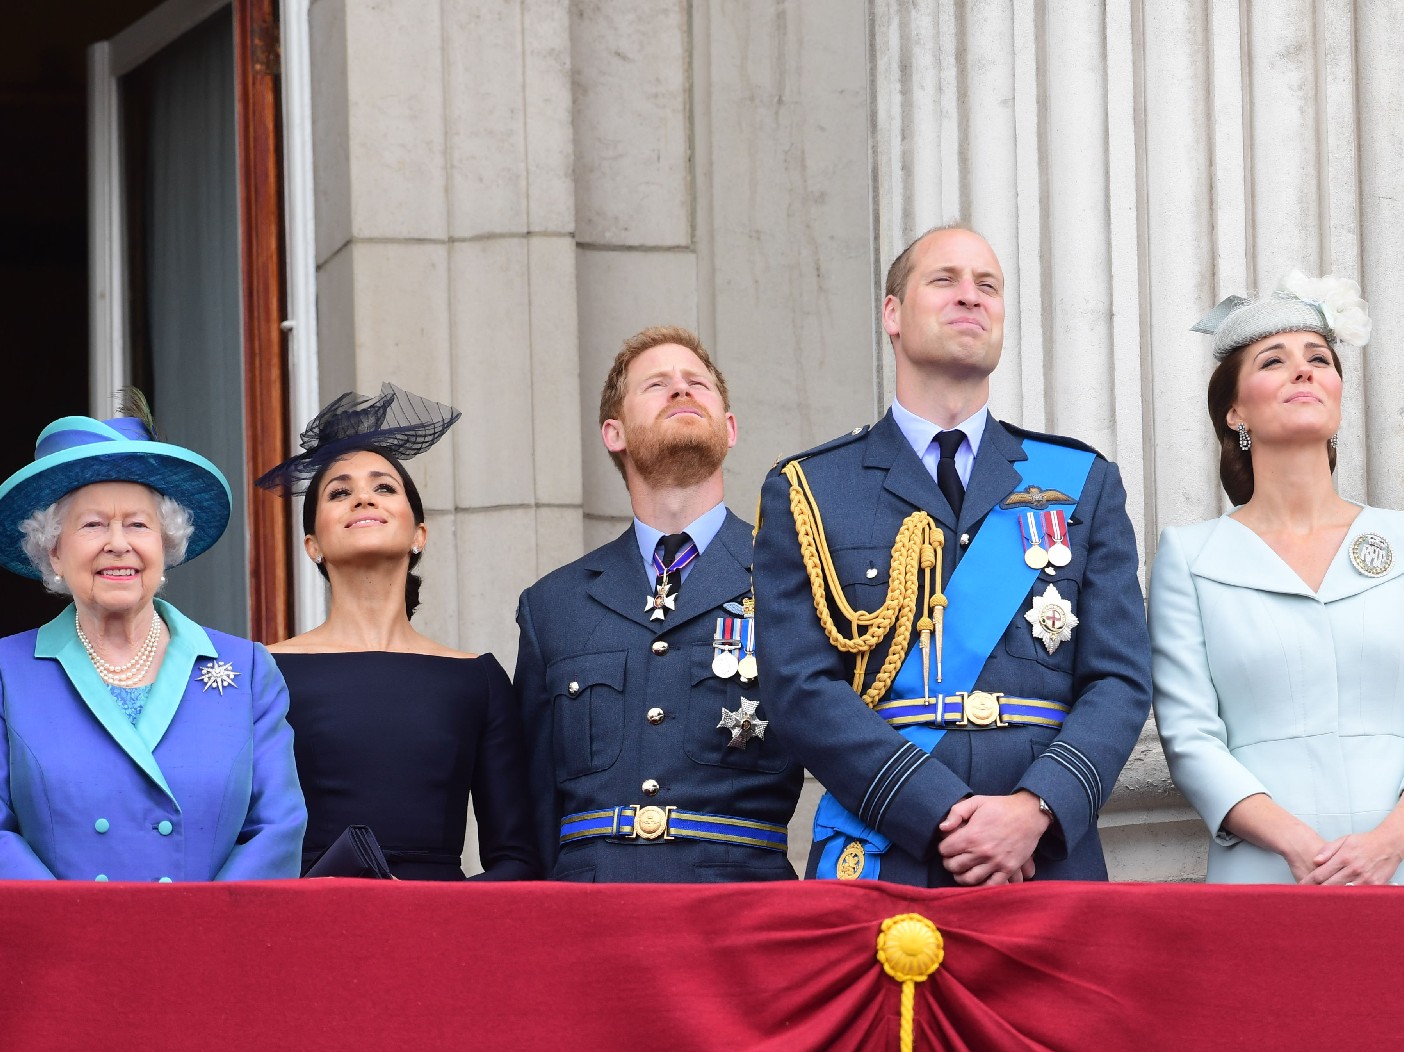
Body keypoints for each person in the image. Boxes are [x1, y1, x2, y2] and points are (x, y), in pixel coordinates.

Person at [754, 226, 1151, 886]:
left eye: (987, 285)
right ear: (892, 314)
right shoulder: (812, 489)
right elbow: (799, 688)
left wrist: (1034, 808)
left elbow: (1119, 679)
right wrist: (943, 810)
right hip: (890, 847)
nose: (971, 297)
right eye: (945, 280)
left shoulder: (1083, 480)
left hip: (1043, 857)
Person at [514, 326, 802, 882]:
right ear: (613, 432)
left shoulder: (792, 579)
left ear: (731, 428)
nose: (681, 390)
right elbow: (531, 808)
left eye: (697, 383)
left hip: (740, 911)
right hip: (591, 918)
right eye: (658, 384)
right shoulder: (554, 605)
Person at [1150, 273, 1403, 885]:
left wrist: (1385, 845)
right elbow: (1189, 736)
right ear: (1235, 410)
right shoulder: (1190, 556)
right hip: (1264, 872)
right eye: (1274, 360)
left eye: (1319, 358)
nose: (1303, 370)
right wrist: (1301, 848)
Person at [0, 397, 305, 881]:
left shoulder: (246, 669)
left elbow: (277, 829)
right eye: (93, 524)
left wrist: (199, 933)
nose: (118, 543)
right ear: (54, 552)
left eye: (138, 524)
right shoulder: (6, 672)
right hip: (62, 948)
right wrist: (72, 929)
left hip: (207, 945)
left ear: (166, 546)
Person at [257, 383, 538, 881]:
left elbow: (516, 857)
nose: (363, 496)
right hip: (305, 931)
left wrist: (442, 920)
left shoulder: (480, 680)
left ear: (418, 535)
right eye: (339, 492)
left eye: (384, 487)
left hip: (442, 939)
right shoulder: (263, 672)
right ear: (312, 545)